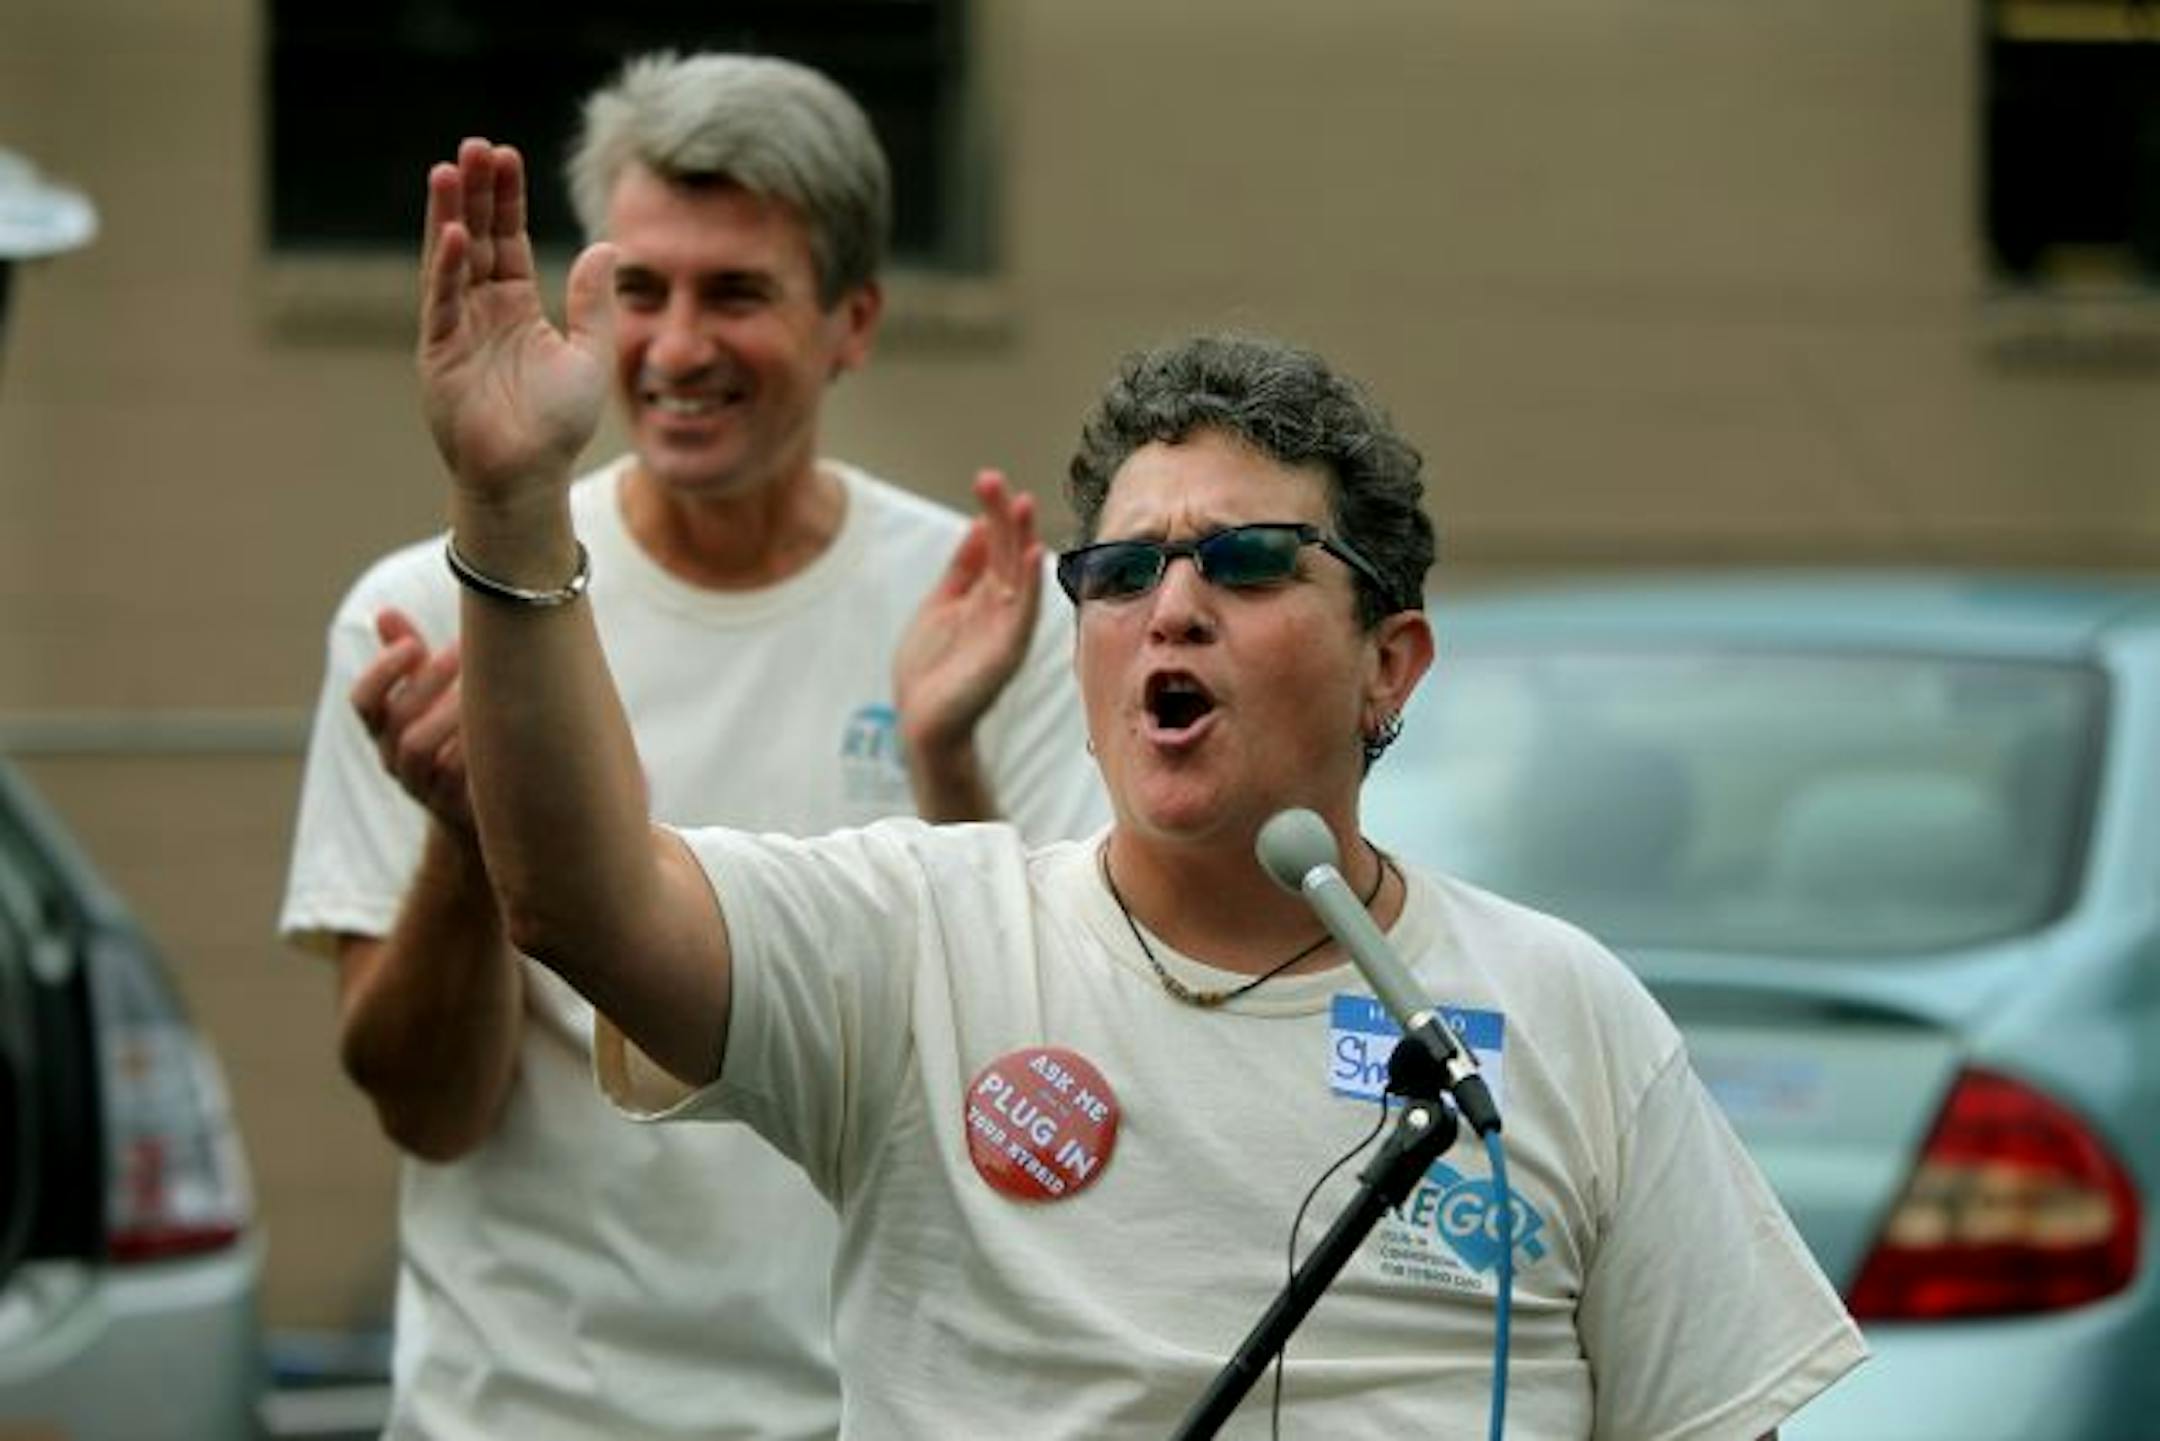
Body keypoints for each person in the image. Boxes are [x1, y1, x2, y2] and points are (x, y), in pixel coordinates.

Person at [415, 133, 1868, 1437]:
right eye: (1120, 571)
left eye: (1247, 562)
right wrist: (514, 502)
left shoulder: (1567, 1015)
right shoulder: (921, 937)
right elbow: (582, 901)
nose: (1170, 608)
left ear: (1391, 664)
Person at [280, 54, 1104, 1440]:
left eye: (735, 293)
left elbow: (1053, 1076)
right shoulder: (429, 609)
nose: (674, 348)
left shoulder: (984, 617)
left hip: (866, 1414)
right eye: (641, 290)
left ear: (852, 321)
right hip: (525, 1415)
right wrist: (471, 840)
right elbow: (428, 1112)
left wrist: (944, 763)